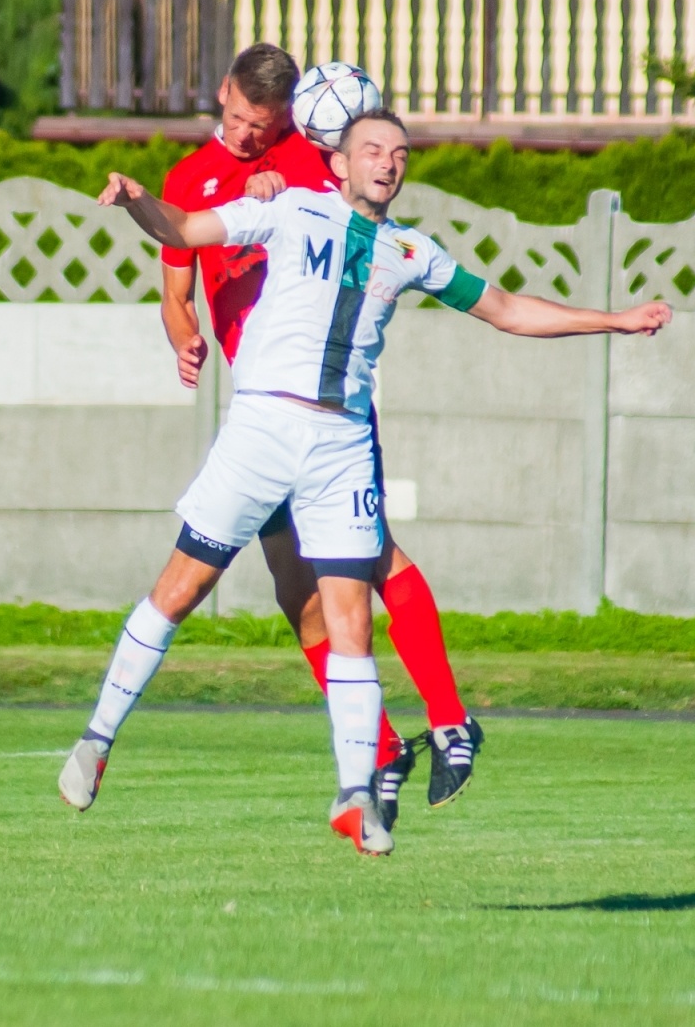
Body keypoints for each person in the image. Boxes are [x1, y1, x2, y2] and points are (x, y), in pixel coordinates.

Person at [61, 108, 671, 856]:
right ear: (340, 164)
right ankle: (97, 738)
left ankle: (359, 796)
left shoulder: (411, 251)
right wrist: (134, 202)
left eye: (400, 153)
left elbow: (508, 310)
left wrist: (615, 320)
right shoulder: (289, 209)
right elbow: (186, 230)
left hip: (341, 442)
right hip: (262, 429)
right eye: (372, 150)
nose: (387, 162)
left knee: (351, 622)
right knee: (181, 590)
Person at [158, 43, 482, 827]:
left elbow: (365, 191)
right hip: (260, 413)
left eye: (259, 127)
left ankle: (449, 718)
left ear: (288, 120)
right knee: (293, 588)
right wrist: (182, 335)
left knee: (368, 558)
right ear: (223, 93)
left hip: (329, 401)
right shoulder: (186, 180)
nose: (243, 136)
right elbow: (175, 287)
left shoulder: (313, 156)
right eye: (235, 119)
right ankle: (379, 749)